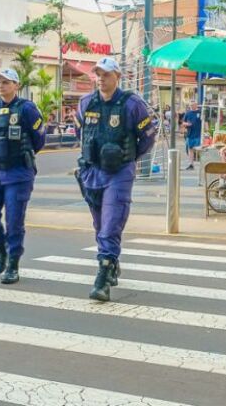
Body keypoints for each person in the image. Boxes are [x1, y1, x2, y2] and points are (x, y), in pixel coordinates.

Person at [75, 57, 156, 302]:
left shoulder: (132, 104)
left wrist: (128, 158)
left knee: (110, 224)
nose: (101, 78)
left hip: (119, 173)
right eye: (98, 74)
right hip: (92, 172)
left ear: (117, 77)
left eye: (106, 74)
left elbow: (148, 137)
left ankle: (103, 277)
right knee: (100, 226)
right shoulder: (86, 103)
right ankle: (111, 261)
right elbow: (81, 133)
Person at [0, 68, 46, 284]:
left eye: (6, 82)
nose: (1, 85)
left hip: (18, 172)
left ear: (16, 85)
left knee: (14, 220)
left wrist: (20, 154)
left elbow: (39, 140)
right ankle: (2, 250)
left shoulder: (27, 109)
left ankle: (13, 263)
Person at [181, 101, 201, 170]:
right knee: (190, 149)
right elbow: (183, 122)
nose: (192, 106)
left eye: (193, 105)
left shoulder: (200, 112)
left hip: (199, 134)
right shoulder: (188, 113)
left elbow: (205, 121)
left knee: (200, 149)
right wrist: (187, 124)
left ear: (196, 105)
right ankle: (191, 164)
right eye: (191, 105)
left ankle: (202, 163)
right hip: (190, 134)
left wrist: (206, 130)